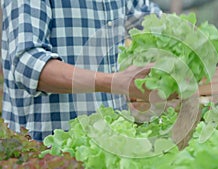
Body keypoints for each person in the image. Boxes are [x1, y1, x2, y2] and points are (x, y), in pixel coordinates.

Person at [1, 0, 162, 141]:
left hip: (110, 144)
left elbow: (158, 25)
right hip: (46, 148)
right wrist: (115, 82)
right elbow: (28, 64)